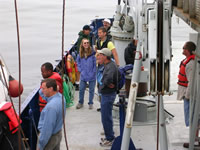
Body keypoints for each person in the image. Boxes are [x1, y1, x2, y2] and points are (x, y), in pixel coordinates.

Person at [97, 48, 118, 147]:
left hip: (108, 95)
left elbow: (108, 78)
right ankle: (108, 135)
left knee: (106, 117)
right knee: (105, 117)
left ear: (105, 56)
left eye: (100, 55)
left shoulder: (110, 67)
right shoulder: (109, 65)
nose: (98, 56)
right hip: (107, 93)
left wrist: (105, 84)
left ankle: (110, 138)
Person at [177, 41, 196, 148]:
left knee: (192, 118)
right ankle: (193, 139)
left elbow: (191, 82)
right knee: (192, 118)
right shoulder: (187, 61)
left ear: (189, 51)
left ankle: (193, 140)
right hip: (186, 94)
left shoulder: (190, 64)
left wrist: (187, 96)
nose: (182, 50)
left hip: (189, 96)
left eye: (184, 48)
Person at [37, 78, 66, 150]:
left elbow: (47, 130)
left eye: (43, 88)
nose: (42, 90)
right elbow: (42, 93)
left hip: (50, 139)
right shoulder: (61, 97)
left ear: (50, 89)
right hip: (58, 134)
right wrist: (55, 89)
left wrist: (40, 146)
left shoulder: (50, 108)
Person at [76, 38, 96, 109]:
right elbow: (78, 62)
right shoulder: (80, 54)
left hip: (92, 75)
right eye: (85, 43)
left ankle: (90, 103)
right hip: (83, 75)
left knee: (91, 90)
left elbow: (95, 63)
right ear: (82, 44)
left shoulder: (92, 53)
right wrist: (81, 70)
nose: (86, 44)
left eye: (87, 42)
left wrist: (93, 72)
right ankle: (80, 102)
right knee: (81, 89)